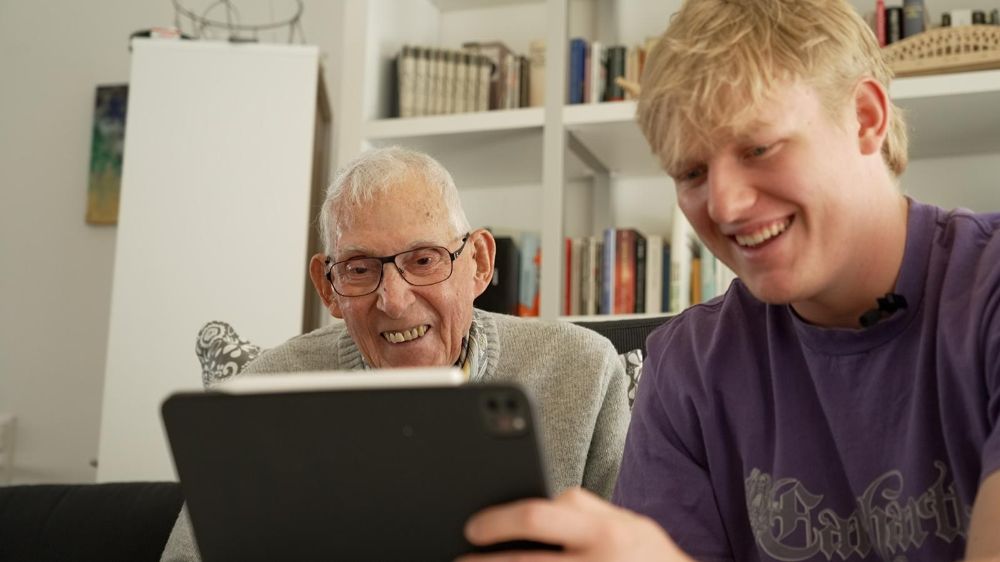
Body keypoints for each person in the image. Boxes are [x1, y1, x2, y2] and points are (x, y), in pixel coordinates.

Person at [458, 0, 1000, 560]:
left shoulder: (987, 290)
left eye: (759, 148)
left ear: (865, 117)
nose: (724, 205)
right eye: (691, 173)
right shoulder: (686, 365)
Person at [159, 147, 631, 561]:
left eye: (423, 260)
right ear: (329, 287)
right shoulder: (259, 390)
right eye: (360, 269)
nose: (393, 299)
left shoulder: (583, 370)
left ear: (479, 264)